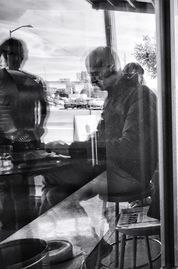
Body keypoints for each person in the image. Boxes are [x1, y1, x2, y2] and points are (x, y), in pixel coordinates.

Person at [42, 47, 158, 211]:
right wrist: (74, 149)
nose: (92, 81)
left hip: (132, 174)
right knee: (53, 189)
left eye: (95, 73)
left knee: (54, 184)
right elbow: (101, 137)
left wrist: (72, 149)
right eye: (90, 74)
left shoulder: (140, 95)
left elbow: (129, 146)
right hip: (113, 166)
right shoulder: (114, 97)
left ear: (110, 67)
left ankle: (52, 234)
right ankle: (54, 235)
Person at [0, 38, 48, 149]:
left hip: (28, 138)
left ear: (22, 56)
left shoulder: (35, 81)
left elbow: (44, 107)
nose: (14, 58)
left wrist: (39, 127)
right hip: (4, 139)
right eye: (9, 53)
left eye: (18, 54)